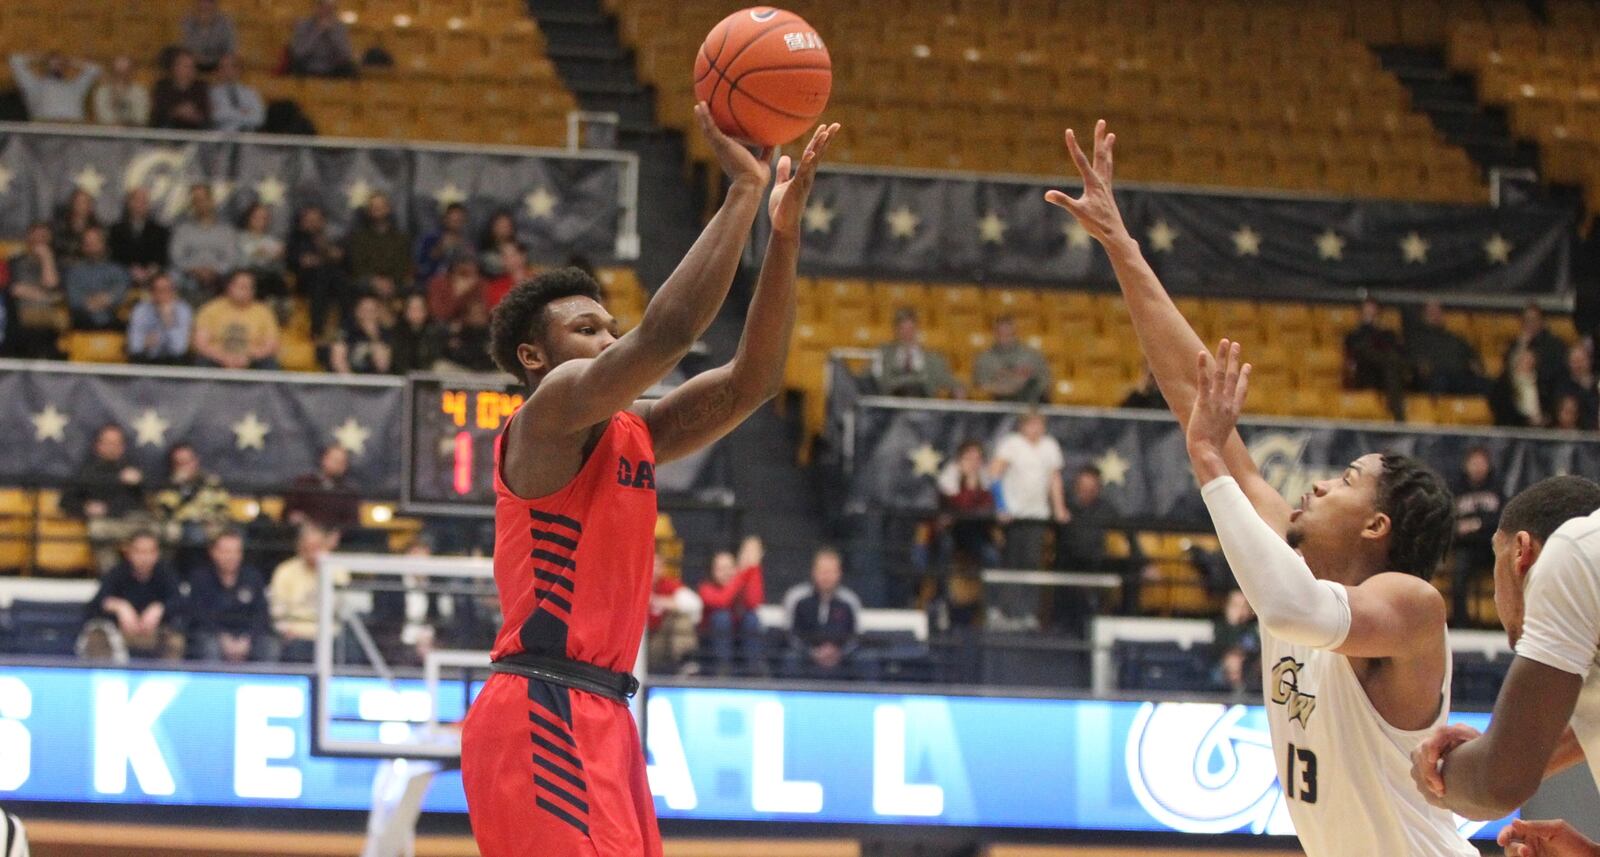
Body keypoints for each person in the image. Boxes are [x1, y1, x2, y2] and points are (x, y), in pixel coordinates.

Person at [1050, 120, 1470, 856]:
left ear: (1377, 528)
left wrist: (1208, 459)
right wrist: (1124, 247)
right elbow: (1193, 392)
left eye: (1344, 481)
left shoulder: (1412, 607)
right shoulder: (1292, 559)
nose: (1313, 485)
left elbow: (1290, 606)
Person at [459, 109, 836, 857]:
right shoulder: (549, 411)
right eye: (588, 330)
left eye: (608, 325)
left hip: (602, 713)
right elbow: (665, 336)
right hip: (541, 701)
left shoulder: (634, 433)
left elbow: (754, 383)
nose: (606, 338)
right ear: (536, 356)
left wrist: (783, 236)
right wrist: (741, 191)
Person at [1408, 476, 1600, 828]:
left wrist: (1433, 776)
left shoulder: (1573, 550)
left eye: (1494, 561)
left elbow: (1498, 785)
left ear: (1521, 553)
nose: (1496, 596)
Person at [988, 410, 1067, 627]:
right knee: (1011, 562)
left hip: (1037, 515)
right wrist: (1001, 505)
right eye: (1031, 424)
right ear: (1022, 426)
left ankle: (1027, 613)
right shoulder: (1011, 444)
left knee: (1032, 564)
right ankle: (1005, 612)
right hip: (1014, 515)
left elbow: (1054, 479)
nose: (1035, 428)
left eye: (1039, 424)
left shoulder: (1049, 446)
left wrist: (1059, 508)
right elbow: (994, 473)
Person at [79, 531, 184, 662]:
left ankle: (164, 679)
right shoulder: (117, 573)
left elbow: (180, 602)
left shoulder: (166, 574)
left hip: (154, 634)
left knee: (175, 640)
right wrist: (120, 607)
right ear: (129, 553)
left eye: (150, 552)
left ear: (157, 554)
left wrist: (160, 608)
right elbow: (97, 603)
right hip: (119, 634)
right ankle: (108, 678)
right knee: (96, 638)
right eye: (139, 551)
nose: (144, 557)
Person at [62, 425, 151, 572]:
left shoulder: (133, 468)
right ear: (98, 446)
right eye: (108, 443)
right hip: (108, 523)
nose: (112, 448)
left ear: (123, 447)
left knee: (171, 532)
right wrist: (86, 507)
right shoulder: (87, 472)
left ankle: (153, 577)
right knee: (97, 530)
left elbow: (152, 500)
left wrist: (140, 484)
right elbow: (65, 501)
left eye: (117, 443)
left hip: (137, 522)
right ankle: (112, 578)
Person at [186, 530, 278, 662]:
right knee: (209, 646)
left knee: (269, 646)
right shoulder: (200, 578)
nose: (231, 556)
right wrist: (223, 638)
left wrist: (247, 638)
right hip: (212, 633)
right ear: (213, 552)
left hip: (247, 634)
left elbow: (261, 613)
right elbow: (199, 615)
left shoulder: (253, 577)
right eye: (226, 551)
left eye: (236, 551)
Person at [151, 442, 231, 573]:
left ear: (196, 461)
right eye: (180, 463)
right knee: (188, 535)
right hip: (179, 527)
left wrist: (211, 519)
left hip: (209, 525)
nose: (185, 466)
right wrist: (178, 488)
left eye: (188, 461)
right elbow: (163, 512)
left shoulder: (211, 482)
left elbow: (223, 508)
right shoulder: (168, 486)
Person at [269, 523, 344, 661]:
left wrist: (322, 569)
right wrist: (285, 630)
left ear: (325, 546)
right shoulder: (285, 571)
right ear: (300, 547)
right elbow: (277, 609)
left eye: (317, 547)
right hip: (296, 634)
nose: (313, 552)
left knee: (346, 648)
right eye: (309, 547)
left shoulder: (337, 570)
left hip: (329, 633)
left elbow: (340, 607)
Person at [782, 546, 861, 677]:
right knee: (790, 659)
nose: (827, 576)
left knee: (866, 660)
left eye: (831, 572)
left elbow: (855, 637)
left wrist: (838, 653)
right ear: (814, 572)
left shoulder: (849, 601)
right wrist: (812, 653)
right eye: (823, 571)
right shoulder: (797, 598)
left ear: (839, 573)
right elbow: (791, 635)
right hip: (804, 657)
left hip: (842, 659)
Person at [1451, 447, 1502, 626]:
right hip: (1467, 547)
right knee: (1459, 572)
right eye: (1474, 463)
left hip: (1492, 546)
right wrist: (1461, 528)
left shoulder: (1496, 488)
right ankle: (1461, 622)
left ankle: (1507, 620)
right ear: (1466, 465)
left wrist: (1477, 524)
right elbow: (1451, 521)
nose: (1478, 467)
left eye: (1482, 463)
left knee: (1511, 569)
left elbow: (1501, 519)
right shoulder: (1456, 489)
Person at [696, 545, 765, 676]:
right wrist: (741, 577)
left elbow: (755, 602)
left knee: (751, 618)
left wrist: (754, 569)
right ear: (712, 571)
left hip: (740, 642)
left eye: (729, 568)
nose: (726, 573)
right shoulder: (705, 588)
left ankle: (753, 671)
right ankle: (723, 671)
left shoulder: (739, 584)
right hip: (713, 646)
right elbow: (722, 601)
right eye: (720, 569)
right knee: (721, 617)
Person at [193, 270, 280, 369]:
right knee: (203, 361)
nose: (246, 290)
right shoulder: (210, 309)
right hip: (218, 358)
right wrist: (224, 358)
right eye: (242, 286)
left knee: (269, 363)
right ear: (229, 287)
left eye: (250, 287)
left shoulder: (263, 312)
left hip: (252, 359)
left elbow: (271, 345)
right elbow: (201, 343)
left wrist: (248, 358)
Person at [287, 204, 348, 341]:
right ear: (303, 222)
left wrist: (328, 250)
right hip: (305, 281)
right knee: (322, 274)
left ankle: (346, 327)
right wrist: (304, 260)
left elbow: (341, 257)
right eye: (310, 220)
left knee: (339, 278)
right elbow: (293, 259)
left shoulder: (329, 238)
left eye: (317, 220)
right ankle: (317, 329)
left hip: (331, 281)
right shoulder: (296, 238)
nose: (314, 224)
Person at [4, 223, 64, 359]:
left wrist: (47, 259)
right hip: (18, 321)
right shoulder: (14, 262)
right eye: (35, 237)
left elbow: (53, 289)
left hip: (48, 324)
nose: (39, 242)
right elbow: (14, 290)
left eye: (43, 238)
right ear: (28, 238)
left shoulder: (59, 264)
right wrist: (45, 295)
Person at [170, 183, 240, 298]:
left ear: (211, 200)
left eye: (203, 199)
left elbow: (231, 259)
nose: (200, 204)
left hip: (219, 277)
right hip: (188, 276)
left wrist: (213, 271)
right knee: (172, 276)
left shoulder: (226, 231)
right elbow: (176, 257)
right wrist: (194, 270)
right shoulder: (182, 229)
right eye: (196, 200)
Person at [1344, 297, 1408, 420]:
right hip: (1365, 373)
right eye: (1366, 310)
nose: (1370, 313)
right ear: (1360, 313)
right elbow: (1356, 352)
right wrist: (1368, 327)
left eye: (1372, 310)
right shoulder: (1354, 335)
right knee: (1388, 359)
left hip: (1386, 374)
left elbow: (1397, 349)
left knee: (1392, 362)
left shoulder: (1388, 333)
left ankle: (1396, 411)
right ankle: (1398, 413)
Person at [872, 307, 959, 397]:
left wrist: (958, 388)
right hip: (892, 405)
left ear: (917, 329)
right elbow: (872, 378)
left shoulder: (933, 358)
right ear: (896, 331)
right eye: (902, 329)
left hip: (924, 404)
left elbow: (946, 379)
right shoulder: (885, 354)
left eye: (910, 328)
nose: (907, 333)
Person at [1405, 300, 1486, 395]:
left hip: (1460, 376)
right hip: (1435, 377)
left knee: (1489, 385)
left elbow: (1474, 359)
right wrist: (1421, 367)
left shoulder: (1456, 339)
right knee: (1439, 381)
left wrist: (1476, 365)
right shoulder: (1417, 340)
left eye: (1439, 311)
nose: (1436, 315)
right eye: (1431, 312)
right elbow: (1414, 362)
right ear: (1423, 316)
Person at [282, 444, 360, 532]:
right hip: (303, 536)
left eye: (342, 462)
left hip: (334, 540)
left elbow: (352, 523)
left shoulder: (348, 491)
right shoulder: (304, 483)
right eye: (335, 460)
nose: (338, 465)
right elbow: (288, 513)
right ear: (324, 459)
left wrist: (335, 535)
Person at [63, 226, 128, 331]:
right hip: (82, 322)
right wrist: (91, 303)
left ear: (104, 244)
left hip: (113, 321)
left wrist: (106, 299)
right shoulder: (74, 272)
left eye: (95, 242)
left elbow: (121, 292)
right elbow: (73, 298)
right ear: (82, 246)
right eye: (87, 243)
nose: (91, 246)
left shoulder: (118, 270)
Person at [647, 550, 702, 674]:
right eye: (651, 564)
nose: (654, 569)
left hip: (661, 640)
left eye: (658, 566)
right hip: (640, 646)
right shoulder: (636, 584)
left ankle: (685, 663)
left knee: (681, 618)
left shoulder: (668, 585)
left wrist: (661, 602)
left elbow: (694, 604)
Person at [974, 315, 1050, 403]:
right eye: (1001, 334)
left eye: (1009, 334)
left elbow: (1045, 383)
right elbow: (980, 387)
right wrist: (1007, 389)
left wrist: (1020, 387)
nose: (1004, 339)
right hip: (997, 407)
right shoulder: (984, 359)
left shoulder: (1032, 356)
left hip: (1028, 405)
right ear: (994, 334)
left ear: (1016, 334)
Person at [1503, 303, 1570, 402]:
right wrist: (1522, 345)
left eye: (1533, 320)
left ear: (1542, 321)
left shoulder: (1555, 345)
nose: (1530, 324)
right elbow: (1508, 370)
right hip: (1518, 392)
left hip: (1547, 392)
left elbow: (1557, 372)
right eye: (1526, 321)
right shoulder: (1516, 344)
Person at [8, 52, 100, 122]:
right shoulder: (34, 86)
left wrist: (69, 61)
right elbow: (15, 61)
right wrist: (42, 58)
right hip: (46, 129)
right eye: (52, 64)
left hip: (73, 130)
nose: (56, 66)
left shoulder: (76, 87)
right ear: (45, 65)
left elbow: (95, 69)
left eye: (59, 64)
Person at [346, 192, 412, 287]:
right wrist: (375, 281)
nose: (378, 209)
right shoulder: (359, 239)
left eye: (381, 205)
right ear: (368, 211)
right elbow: (358, 268)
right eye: (374, 206)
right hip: (369, 286)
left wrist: (391, 282)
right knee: (366, 301)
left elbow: (404, 266)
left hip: (396, 284)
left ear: (388, 208)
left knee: (415, 301)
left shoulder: (402, 238)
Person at [126, 272, 194, 364]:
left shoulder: (183, 310)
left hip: (174, 362)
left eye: (169, 289)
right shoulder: (141, 310)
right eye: (160, 290)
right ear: (152, 293)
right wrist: (144, 343)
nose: (165, 294)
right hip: (146, 360)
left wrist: (168, 320)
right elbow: (134, 346)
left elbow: (179, 349)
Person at [109, 188, 170, 287]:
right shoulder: (116, 230)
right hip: (124, 272)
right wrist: (131, 269)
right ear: (129, 203)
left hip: (153, 274)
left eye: (144, 201)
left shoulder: (160, 230)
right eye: (137, 200)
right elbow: (115, 255)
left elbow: (162, 256)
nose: (141, 205)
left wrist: (152, 269)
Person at [290, 0, 358, 78]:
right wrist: (318, 31)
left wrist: (331, 33)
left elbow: (346, 54)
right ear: (316, 8)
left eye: (330, 8)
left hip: (332, 67)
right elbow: (299, 53)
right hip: (309, 66)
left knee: (351, 68)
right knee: (296, 65)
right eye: (323, 7)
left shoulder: (339, 27)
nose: (326, 11)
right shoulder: (303, 25)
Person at [1212, 589, 1260, 695]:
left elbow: (1255, 648)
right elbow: (1220, 647)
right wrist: (1233, 623)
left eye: (1244, 606)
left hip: (1249, 668)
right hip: (1222, 669)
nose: (1240, 610)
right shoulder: (1220, 626)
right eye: (1236, 605)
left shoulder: (1254, 627)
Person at [329, 294, 393, 374]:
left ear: (378, 313)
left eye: (372, 310)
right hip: (348, 380)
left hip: (376, 381)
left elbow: (383, 366)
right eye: (364, 310)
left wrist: (373, 335)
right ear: (357, 311)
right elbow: (337, 361)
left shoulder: (385, 333)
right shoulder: (346, 331)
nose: (368, 314)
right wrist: (353, 383)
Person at [151, 48, 211, 131]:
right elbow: (158, 113)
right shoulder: (162, 87)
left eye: (193, 66)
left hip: (196, 130)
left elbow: (206, 113)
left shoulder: (201, 87)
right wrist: (176, 112)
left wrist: (194, 115)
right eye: (186, 66)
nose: (190, 70)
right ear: (175, 67)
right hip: (168, 129)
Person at [237, 202, 287, 300]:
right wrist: (267, 256)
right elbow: (243, 260)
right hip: (247, 275)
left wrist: (266, 255)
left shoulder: (273, 241)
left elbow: (279, 264)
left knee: (275, 279)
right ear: (248, 218)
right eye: (256, 217)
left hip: (270, 277)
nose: (260, 221)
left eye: (264, 218)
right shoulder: (239, 238)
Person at [415, 202, 470, 286]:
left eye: (459, 220)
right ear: (445, 219)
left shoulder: (468, 244)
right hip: (429, 284)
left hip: (458, 287)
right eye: (453, 220)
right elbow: (420, 267)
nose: (456, 223)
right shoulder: (429, 239)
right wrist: (440, 248)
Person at [1489, 349, 1546, 428]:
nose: (1528, 365)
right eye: (1525, 361)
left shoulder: (1540, 382)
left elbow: (1546, 403)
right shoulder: (1505, 383)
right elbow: (1502, 407)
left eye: (1531, 362)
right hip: (1512, 427)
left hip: (1539, 427)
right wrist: (1526, 419)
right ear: (1517, 362)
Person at [390, 293, 446, 373]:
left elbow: (435, 358)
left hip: (429, 377)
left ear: (425, 311)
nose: (415, 312)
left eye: (419, 308)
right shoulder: (397, 332)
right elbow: (398, 362)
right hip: (404, 379)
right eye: (412, 308)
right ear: (406, 312)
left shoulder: (435, 331)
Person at [209, 53, 265, 132]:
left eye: (232, 66)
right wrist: (243, 112)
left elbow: (259, 118)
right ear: (219, 71)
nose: (227, 71)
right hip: (221, 137)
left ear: (239, 69)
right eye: (223, 67)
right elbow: (215, 116)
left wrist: (226, 111)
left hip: (247, 138)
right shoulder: (211, 93)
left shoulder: (252, 92)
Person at [440, 299, 497, 373]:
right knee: (441, 367)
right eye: (474, 313)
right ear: (467, 316)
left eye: (481, 313)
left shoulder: (493, 334)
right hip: (464, 373)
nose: (478, 316)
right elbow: (449, 354)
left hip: (490, 374)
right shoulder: (460, 333)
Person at [1550, 343, 1598, 431]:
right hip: (1572, 433)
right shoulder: (1562, 386)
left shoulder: (1597, 384)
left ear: (1589, 361)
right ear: (1569, 363)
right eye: (1575, 361)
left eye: (1581, 360)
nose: (1579, 365)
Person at [91, 56, 150, 127]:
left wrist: (127, 125)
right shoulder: (102, 91)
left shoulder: (140, 91)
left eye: (126, 72)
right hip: (108, 134)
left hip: (135, 133)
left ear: (132, 72)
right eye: (118, 73)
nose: (122, 77)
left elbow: (141, 117)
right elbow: (103, 116)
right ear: (112, 72)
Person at [182, 0, 238, 71]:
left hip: (219, 64)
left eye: (208, 9)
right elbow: (186, 47)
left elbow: (230, 49)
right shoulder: (188, 22)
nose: (205, 13)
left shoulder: (225, 23)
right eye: (202, 9)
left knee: (229, 61)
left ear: (215, 6)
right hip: (194, 63)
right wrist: (202, 27)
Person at [51, 188, 100, 262]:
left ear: (91, 207)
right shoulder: (59, 227)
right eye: (77, 202)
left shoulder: (97, 229)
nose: (80, 206)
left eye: (85, 202)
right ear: (71, 203)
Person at [485, 242, 535, 310]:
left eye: (514, 254)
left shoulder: (538, 279)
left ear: (523, 255)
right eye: (505, 256)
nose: (511, 259)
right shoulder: (496, 287)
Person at [478, 210, 520, 275]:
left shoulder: (519, 249)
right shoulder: (486, 255)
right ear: (493, 228)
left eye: (506, 226)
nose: (503, 229)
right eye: (500, 225)